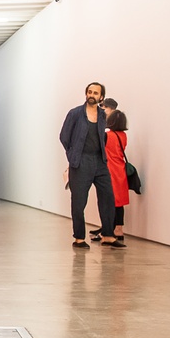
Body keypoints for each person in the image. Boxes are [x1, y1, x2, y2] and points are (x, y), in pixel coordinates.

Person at [59, 82, 118, 249]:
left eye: (95, 93)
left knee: (108, 197)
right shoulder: (75, 113)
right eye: (89, 92)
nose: (92, 95)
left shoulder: (102, 115)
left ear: (101, 97)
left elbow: (102, 137)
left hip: (99, 161)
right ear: (86, 94)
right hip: (81, 161)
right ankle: (79, 238)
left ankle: (108, 235)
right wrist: (73, 155)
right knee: (79, 201)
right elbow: (64, 136)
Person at [99, 109, 130, 245]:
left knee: (109, 201)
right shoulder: (123, 135)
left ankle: (108, 230)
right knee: (119, 202)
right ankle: (119, 229)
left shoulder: (108, 136)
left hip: (109, 170)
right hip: (120, 169)